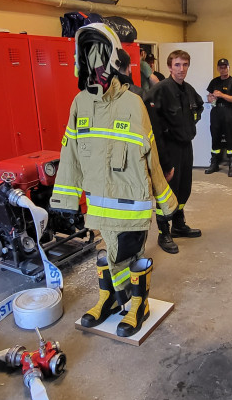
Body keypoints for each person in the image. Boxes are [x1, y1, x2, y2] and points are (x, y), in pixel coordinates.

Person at [49, 24, 178, 337]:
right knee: (106, 254)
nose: (96, 70)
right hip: (98, 205)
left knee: (128, 256)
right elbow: (71, 153)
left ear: (114, 63)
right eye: (90, 61)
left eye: (101, 61)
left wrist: (165, 201)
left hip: (131, 204)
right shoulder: (80, 103)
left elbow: (151, 155)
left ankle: (138, 305)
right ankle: (108, 299)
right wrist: (65, 200)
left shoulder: (133, 104)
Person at [145, 50, 205, 254]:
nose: (182, 69)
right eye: (178, 65)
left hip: (185, 146)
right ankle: (164, 233)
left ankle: (179, 225)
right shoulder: (160, 90)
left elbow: (199, 106)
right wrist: (164, 160)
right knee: (167, 192)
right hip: (168, 147)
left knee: (183, 188)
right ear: (170, 67)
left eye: (185, 65)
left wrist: (191, 122)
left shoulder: (188, 90)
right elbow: (152, 127)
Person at [205, 58, 232, 177]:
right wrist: (210, 98)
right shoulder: (214, 82)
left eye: (225, 67)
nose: (223, 69)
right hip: (216, 112)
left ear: (229, 67)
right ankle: (214, 163)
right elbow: (209, 97)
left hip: (228, 111)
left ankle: (231, 164)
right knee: (215, 137)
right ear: (218, 68)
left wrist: (222, 95)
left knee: (230, 138)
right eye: (221, 67)